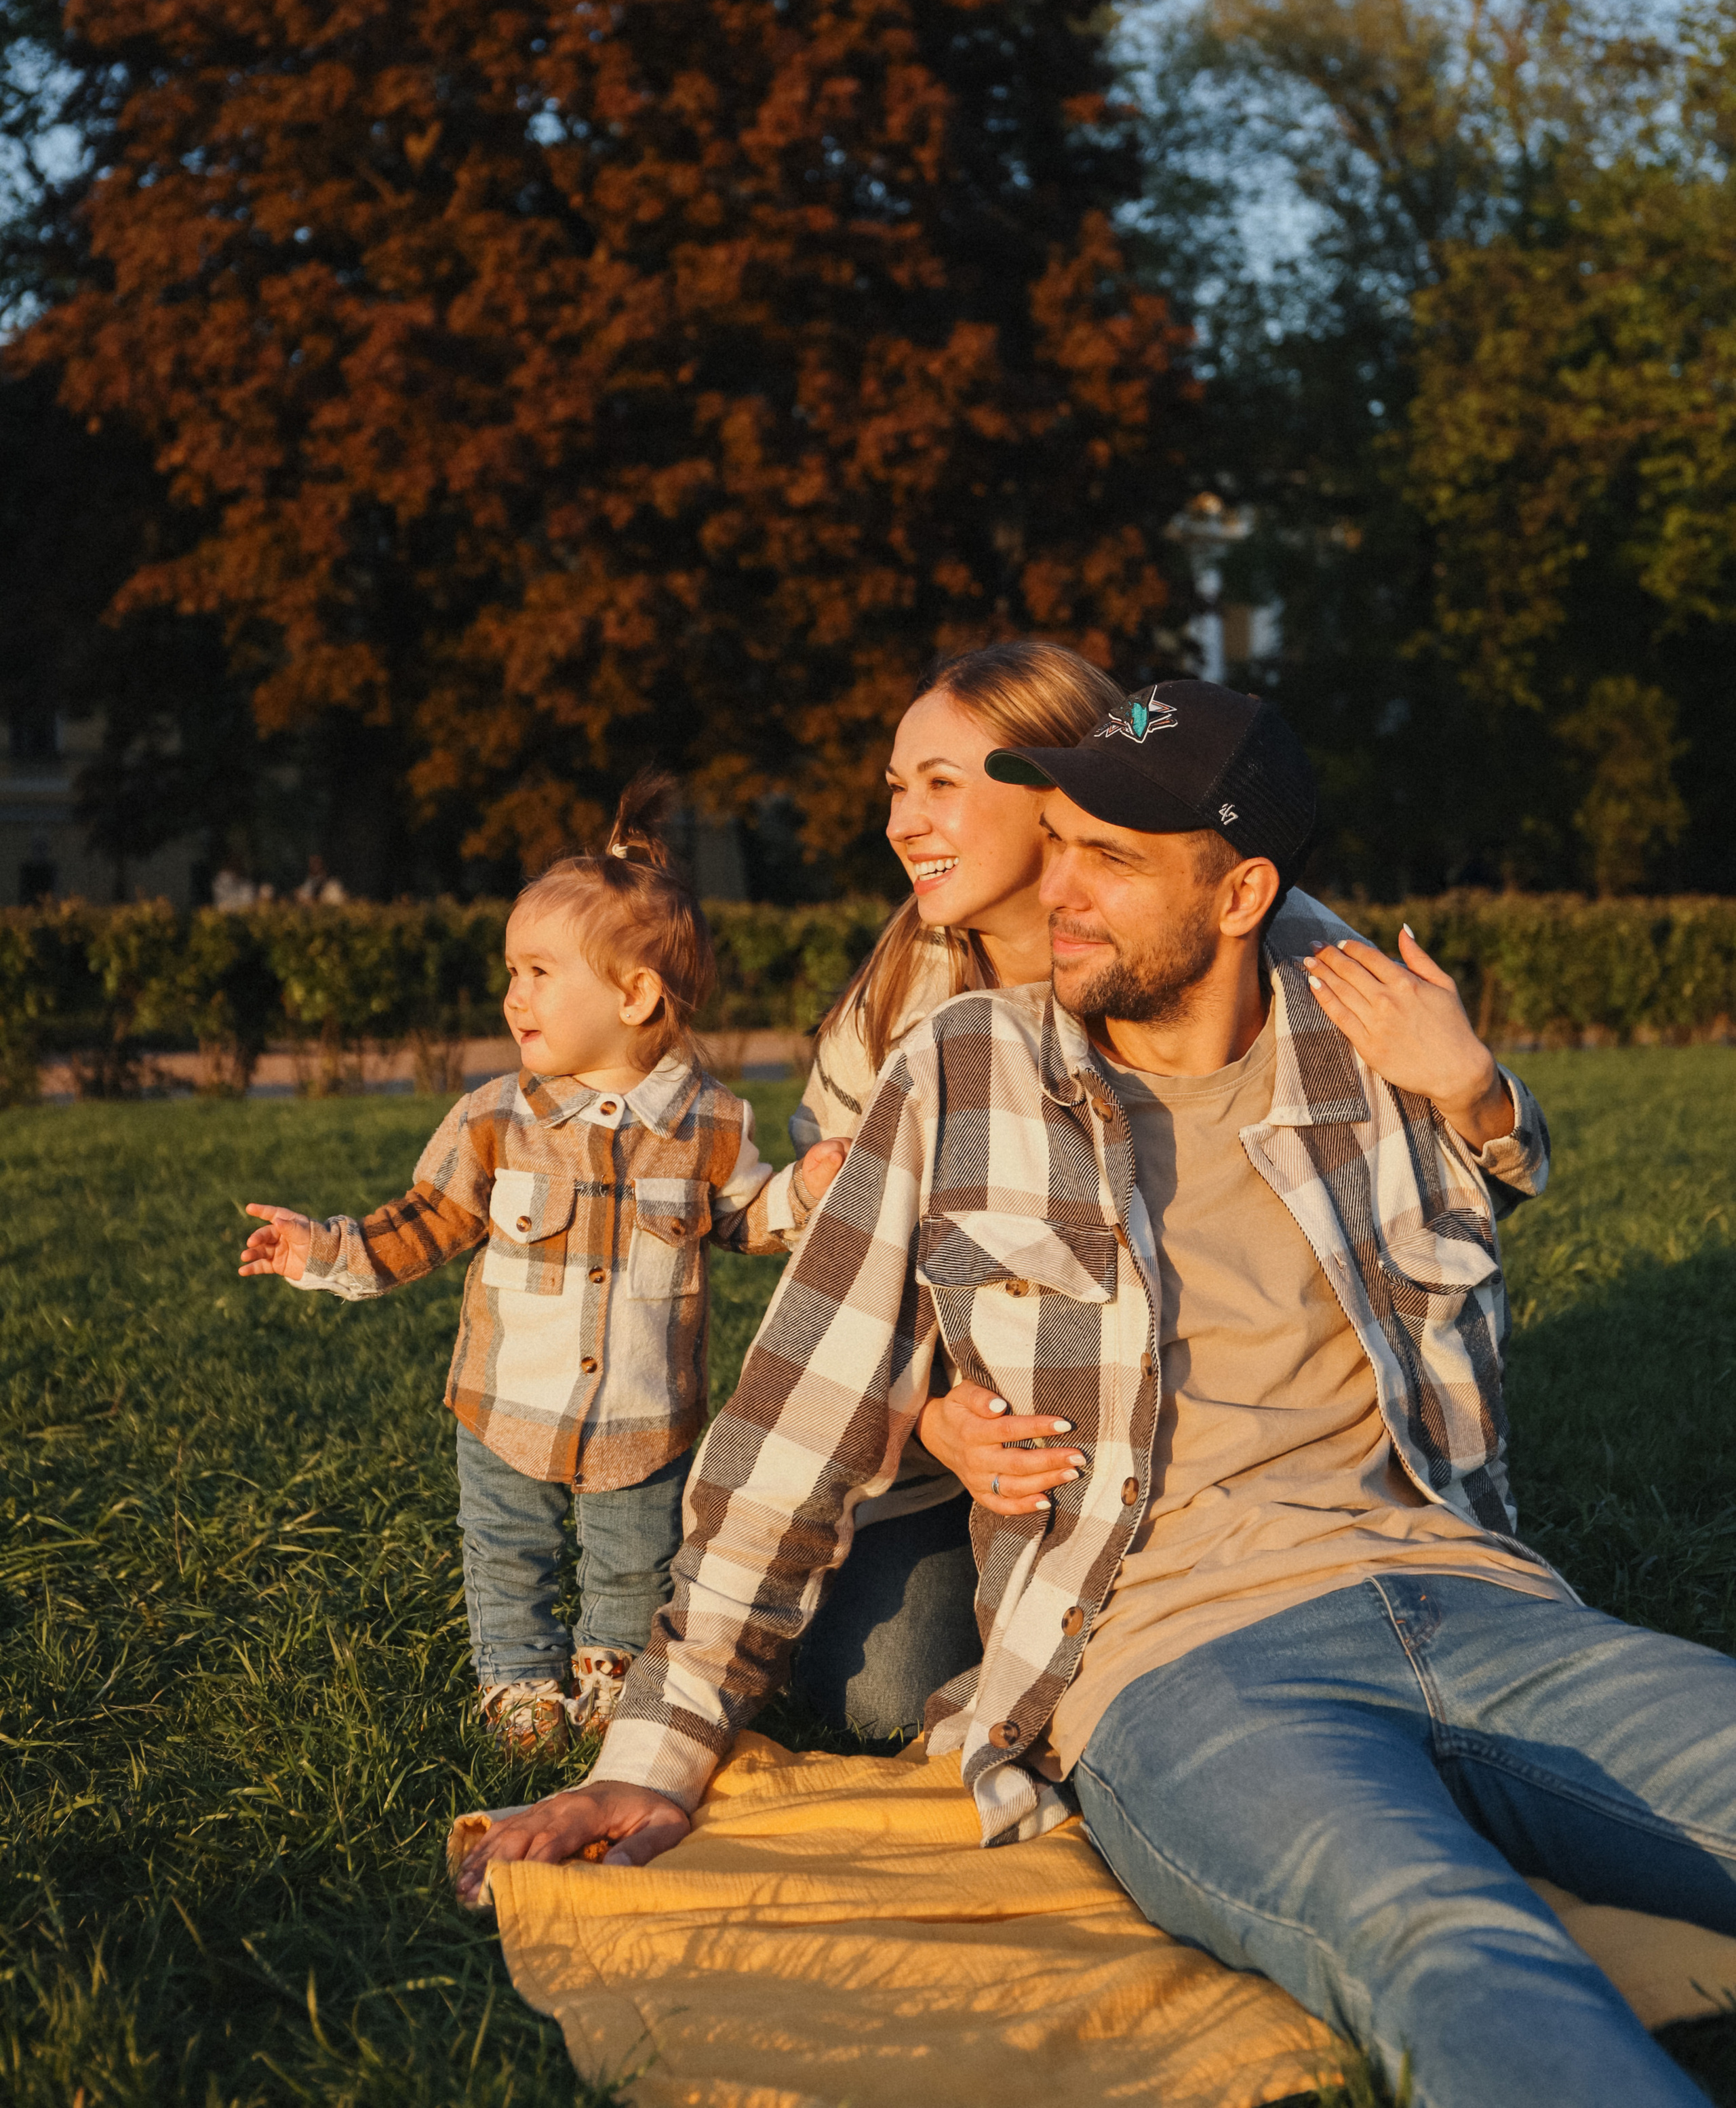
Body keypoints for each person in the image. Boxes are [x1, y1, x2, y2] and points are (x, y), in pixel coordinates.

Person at [458, 684, 1736, 2108]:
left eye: (1110, 858)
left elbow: (1503, 1161)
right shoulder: (962, 1067)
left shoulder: (1368, 1044)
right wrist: (657, 1749)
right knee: (1446, 1936)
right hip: (1181, 1664)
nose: (1057, 889)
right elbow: (796, 1425)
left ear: (1242, 894)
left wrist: (1475, 1086)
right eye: (1056, 841)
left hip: (1472, 1597)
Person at [766, 640, 1355, 1736]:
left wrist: (1476, 1095)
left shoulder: (1236, 940)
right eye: (896, 789)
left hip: (1194, 1431)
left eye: (941, 785)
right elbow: (834, 1296)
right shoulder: (896, 1005)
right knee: (878, 1694)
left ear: (1052, 792)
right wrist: (933, 1421)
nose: (901, 824)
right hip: (986, 1454)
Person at [236, 773, 845, 1759]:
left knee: (635, 1560)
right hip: (505, 1404)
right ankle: (517, 1674)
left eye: (537, 972)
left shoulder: (712, 1124)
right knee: (508, 1551)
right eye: (511, 971)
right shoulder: (493, 1119)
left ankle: (613, 1671)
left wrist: (806, 1191)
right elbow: (428, 1220)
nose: (513, 995)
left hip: (645, 1413)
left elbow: (748, 1223)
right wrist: (327, 1250)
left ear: (635, 995)